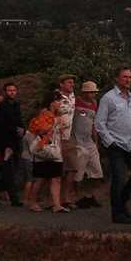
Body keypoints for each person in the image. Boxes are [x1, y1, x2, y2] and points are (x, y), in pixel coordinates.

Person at [95, 67, 131, 224]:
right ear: (117, 79)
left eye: (130, 77)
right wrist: (110, 142)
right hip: (116, 144)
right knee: (119, 179)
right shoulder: (108, 98)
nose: (128, 79)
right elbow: (99, 123)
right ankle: (117, 213)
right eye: (124, 77)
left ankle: (122, 203)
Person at [25, 92, 66, 213]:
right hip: (43, 147)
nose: (60, 104)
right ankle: (32, 202)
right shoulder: (44, 114)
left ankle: (56, 204)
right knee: (40, 178)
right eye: (58, 101)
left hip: (55, 147)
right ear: (52, 102)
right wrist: (55, 122)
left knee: (56, 177)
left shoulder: (56, 115)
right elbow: (40, 129)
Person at [69, 81, 105, 208]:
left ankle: (89, 195)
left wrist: (96, 141)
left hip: (89, 141)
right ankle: (76, 197)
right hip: (77, 140)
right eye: (90, 92)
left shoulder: (95, 104)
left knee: (97, 172)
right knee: (78, 172)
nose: (92, 94)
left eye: (94, 92)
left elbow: (94, 124)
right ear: (84, 92)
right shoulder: (76, 102)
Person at [0, 82, 24, 207]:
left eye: (14, 90)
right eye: (9, 90)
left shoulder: (16, 105)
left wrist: (22, 129)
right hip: (7, 142)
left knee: (14, 170)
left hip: (17, 141)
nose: (12, 92)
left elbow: (20, 120)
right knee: (9, 170)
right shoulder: (2, 106)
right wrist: (14, 130)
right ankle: (13, 198)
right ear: (5, 92)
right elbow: (3, 125)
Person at [56, 74, 79, 207]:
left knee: (72, 167)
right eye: (69, 82)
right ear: (61, 84)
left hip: (69, 136)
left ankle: (66, 198)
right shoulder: (56, 96)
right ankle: (55, 199)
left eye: (72, 83)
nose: (72, 85)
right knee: (57, 170)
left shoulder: (72, 96)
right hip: (56, 137)